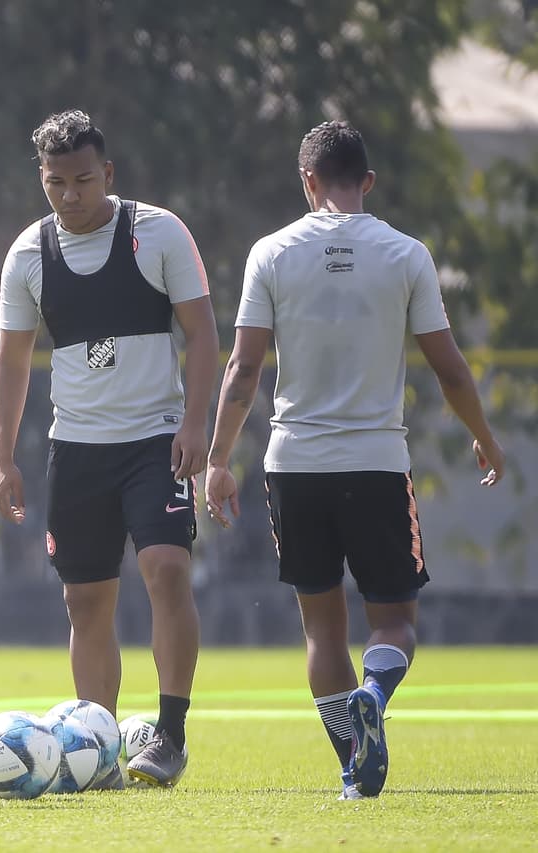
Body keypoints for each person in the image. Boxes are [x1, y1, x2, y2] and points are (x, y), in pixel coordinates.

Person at [204, 121, 506, 800]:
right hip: (376, 463)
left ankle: (353, 767)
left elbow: (244, 368)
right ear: (367, 181)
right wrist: (483, 434)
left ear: (307, 180)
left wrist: (217, 459)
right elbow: (450, 368)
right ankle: (375, 692)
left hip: (293, 466)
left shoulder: (270, 253)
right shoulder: (406, 254)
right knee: (393, 623)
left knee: (322, 630)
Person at [0, 109, 219, 788]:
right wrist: (2, 457)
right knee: (85, 602)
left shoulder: (159, 232)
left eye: (83, 180)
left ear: (108, 173)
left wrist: (196, 424)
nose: (70, 195)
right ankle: (98, 752)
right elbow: (12, 362)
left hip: (156, 440)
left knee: (166, 570)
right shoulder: (28, 254)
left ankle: (170, 735)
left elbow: (203, 335)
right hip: (77, 450)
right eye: (55, 182)